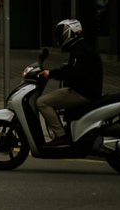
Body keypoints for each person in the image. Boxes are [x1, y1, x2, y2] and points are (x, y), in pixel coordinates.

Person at [39, 18, 103, 146]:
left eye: (61, 34)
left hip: (82, 93)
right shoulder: (82, 47)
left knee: (42, 102)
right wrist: (55, 72)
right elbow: (72, 69)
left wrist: (51, 74)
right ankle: (66, 132)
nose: (60, 39)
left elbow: (73, 72)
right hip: (84, 89)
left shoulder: (80, 50)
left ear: (70, 33)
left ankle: (61, 136)